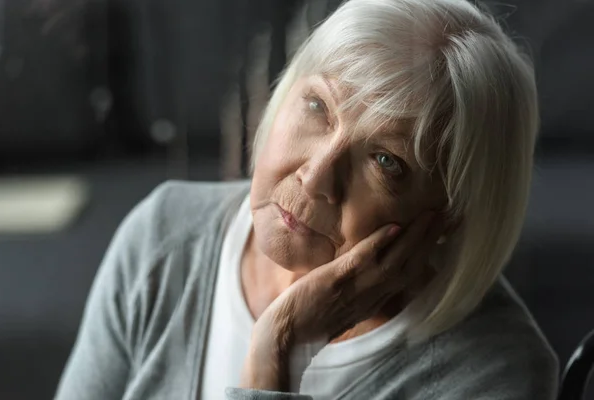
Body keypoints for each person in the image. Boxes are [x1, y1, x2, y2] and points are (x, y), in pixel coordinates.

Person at [55, 0, 559, 398]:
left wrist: (280, 351)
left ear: (447, 217)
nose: (317, 176)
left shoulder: (493, 375)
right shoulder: (164, 237)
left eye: (385, 161)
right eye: (318, 106)